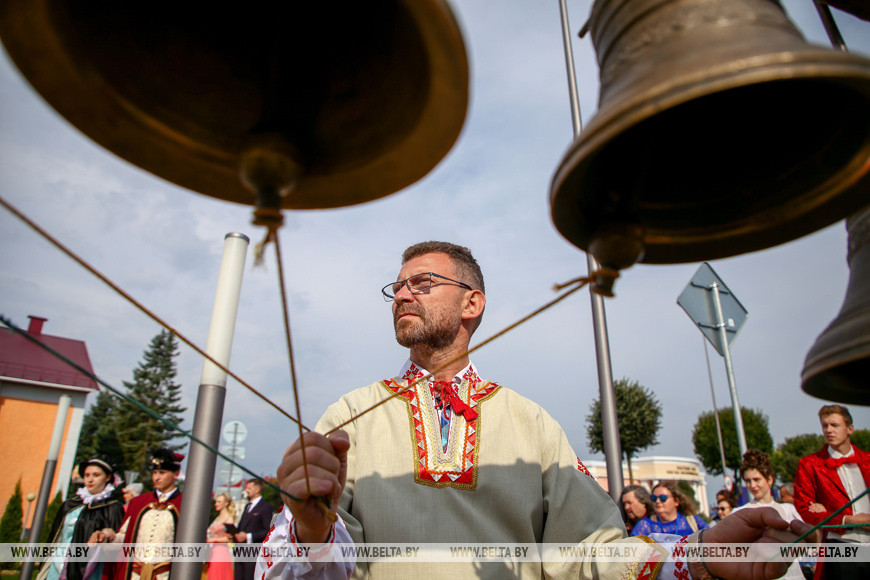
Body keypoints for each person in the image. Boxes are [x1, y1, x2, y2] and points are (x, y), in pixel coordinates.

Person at [259, 241, 814, 580]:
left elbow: (587, 555)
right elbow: (305, 567)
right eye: (397, 287)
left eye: (423, 283)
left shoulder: (532, 423)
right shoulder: (351, 414)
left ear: (472, 303)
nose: (404, 294)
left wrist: (701, 556)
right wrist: (311, 525)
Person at [794, 404, 870, 579]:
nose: (828, 430)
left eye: (834, 425)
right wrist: (847, 519)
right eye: (824, 425)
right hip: (840, 545)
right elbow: (805, 510)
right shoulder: (809, 464)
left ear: (850, 429)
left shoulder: (868, 460)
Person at [91, 448, 185, 580]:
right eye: (154, 473)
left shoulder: (185, 505)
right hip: (134, 574)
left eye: (162, 473)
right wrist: (107, 536)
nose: (156, 477)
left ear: (176, 474)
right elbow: (124, 537)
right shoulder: (138, 503)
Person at [40, 455, 124, 580]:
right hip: (57, 567)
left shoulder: (113, 507)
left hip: (91, 570)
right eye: (87, 475)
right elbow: (56, 540)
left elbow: (116, 546)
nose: (90, 479)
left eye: (96, 475)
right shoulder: (70, 504)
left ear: (107, 477)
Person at [734, 450, 805, 580]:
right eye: (748, 481)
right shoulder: (740, 512)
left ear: (769, 480)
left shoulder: (788, 509)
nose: (752, 485)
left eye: (757, 479)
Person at [631, 481, 709, 536]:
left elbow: (713, 545)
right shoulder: (644, 526)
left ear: (676, 501)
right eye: (654, 498)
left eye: (663, 498)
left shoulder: (694, 522)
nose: (658, 501)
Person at [233, 480, 273, 580]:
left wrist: (248, 536)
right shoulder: (247, 506)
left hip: (253, 551)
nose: (246, 490)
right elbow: (242, 526)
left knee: (249, 576)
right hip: (241, 550)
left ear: (257, 490)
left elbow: (267, 531)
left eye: (249, 488)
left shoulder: (265, 507)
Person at [206, 493, 236, 580]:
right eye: (216, 502)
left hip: (221, 551)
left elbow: (231, 538)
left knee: (218, 575)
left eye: (219, 502)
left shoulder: (229, 518)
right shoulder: (217, 517)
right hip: (212, 551)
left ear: (226, 503)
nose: (216, 504)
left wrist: (213, 539)